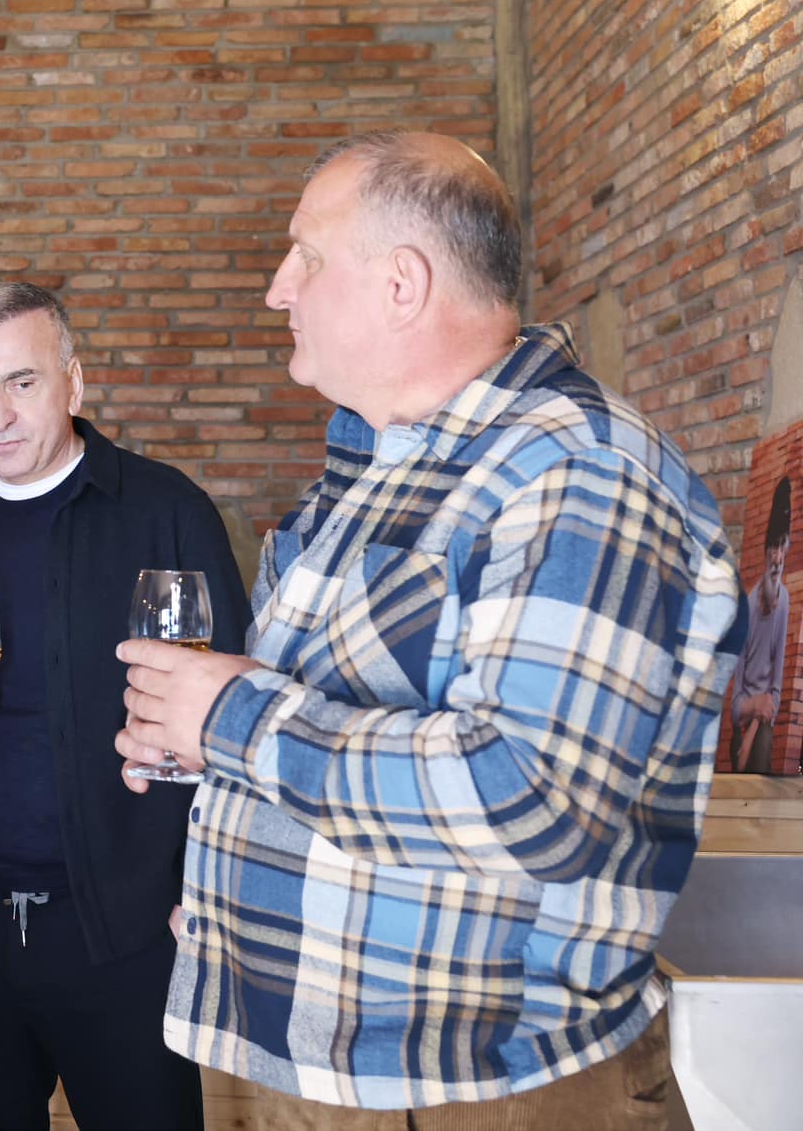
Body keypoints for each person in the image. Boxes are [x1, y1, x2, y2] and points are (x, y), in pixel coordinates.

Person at [118, 132, 743, 1129]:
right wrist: (232, 836)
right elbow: (341, 736)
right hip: (317, 1061)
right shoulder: (378, 470)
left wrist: (229, 718)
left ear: (400, 284)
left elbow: (531, 798)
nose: (278, 290)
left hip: (480, 1089)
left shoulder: (578, 473)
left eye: (304, 256)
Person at [0, 280, 247, 1131]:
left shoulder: (166, 510)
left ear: (73, 383)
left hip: (122, 924)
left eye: (22, 382)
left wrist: (209, 891)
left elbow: (235, 713)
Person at [730, 475, 790, 773]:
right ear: (766, 554)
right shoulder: (748, 608)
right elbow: (735, 705)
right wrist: (754, 707)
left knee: (764, 740)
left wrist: (759, 720)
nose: (777, 557)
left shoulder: (785, 602)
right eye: (773, 549)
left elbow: (775, 691)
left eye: (782, 548)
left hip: (761, 721)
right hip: (746, 714)